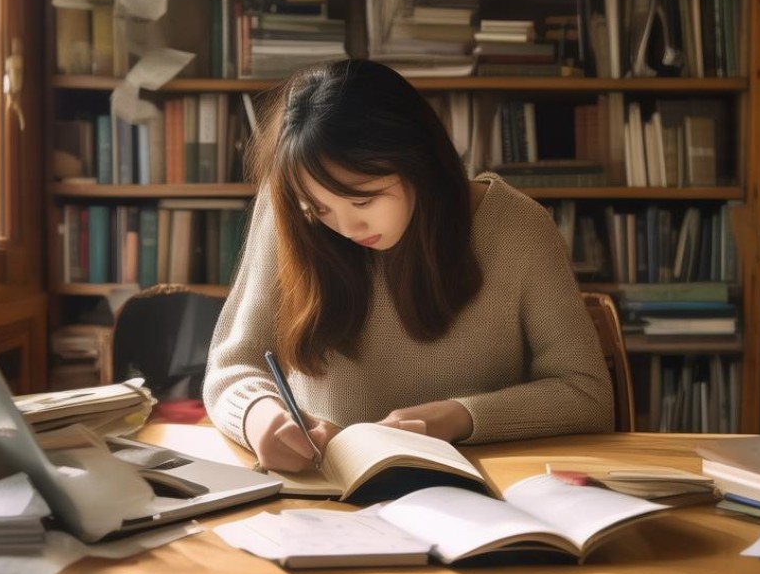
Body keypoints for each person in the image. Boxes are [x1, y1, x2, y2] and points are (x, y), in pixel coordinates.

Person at [202, 59, 613, 473]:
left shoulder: (516, 228)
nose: (345, 227)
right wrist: (260, 416)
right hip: (326, 498)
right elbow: (232, 365)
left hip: (474, 499)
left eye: (363, 201)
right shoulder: (290, 212)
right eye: (319, 208)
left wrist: (459, 417)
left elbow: (587, 394)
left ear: (419, 161)